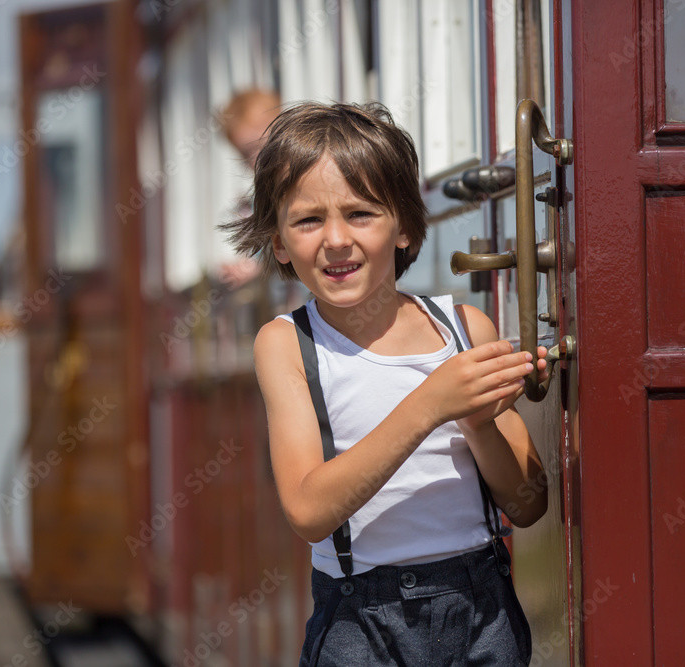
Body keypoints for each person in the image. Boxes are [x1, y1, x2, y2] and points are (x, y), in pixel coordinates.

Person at [219, 101, 548, 666]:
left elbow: (528, 503)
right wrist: (430, 405)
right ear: (277, 242)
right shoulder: (288, 345)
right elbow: (307, 510)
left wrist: (475, 422)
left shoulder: (465, 329)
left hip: (483, 608)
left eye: (362, 213)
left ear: (405, 226)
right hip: (360, 623)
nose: (336, 239)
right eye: (307, 220)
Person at [216, 88, 282, 288]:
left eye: (262, 146)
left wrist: (259, 265)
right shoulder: (255, 201)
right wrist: (245, 264)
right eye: (247, 154)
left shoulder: (297, 187)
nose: (257, 159)